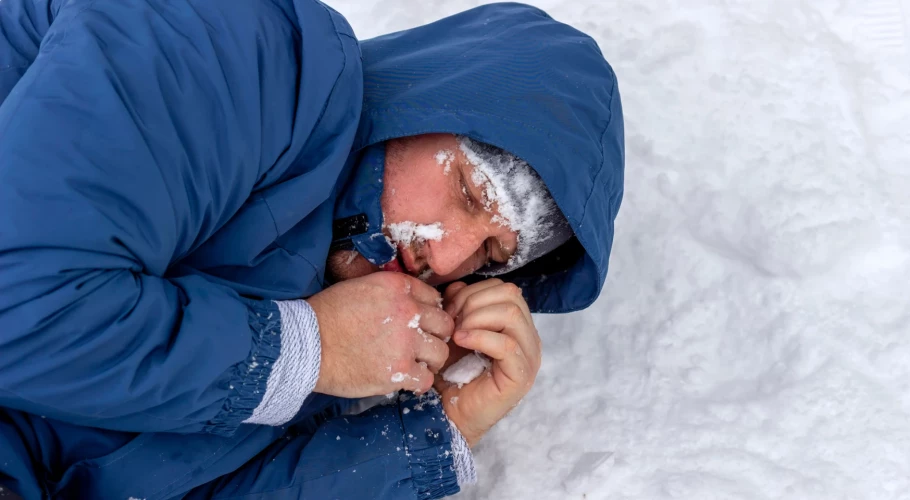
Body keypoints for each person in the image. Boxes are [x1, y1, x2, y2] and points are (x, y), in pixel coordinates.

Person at [0, 0, 623, 498]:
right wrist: (298, 349)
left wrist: (443, 429)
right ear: (423, 101)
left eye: (489, 254)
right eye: (465, 190)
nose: (448, 257)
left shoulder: (336, 316)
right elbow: (17, 300)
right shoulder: (238, 49)